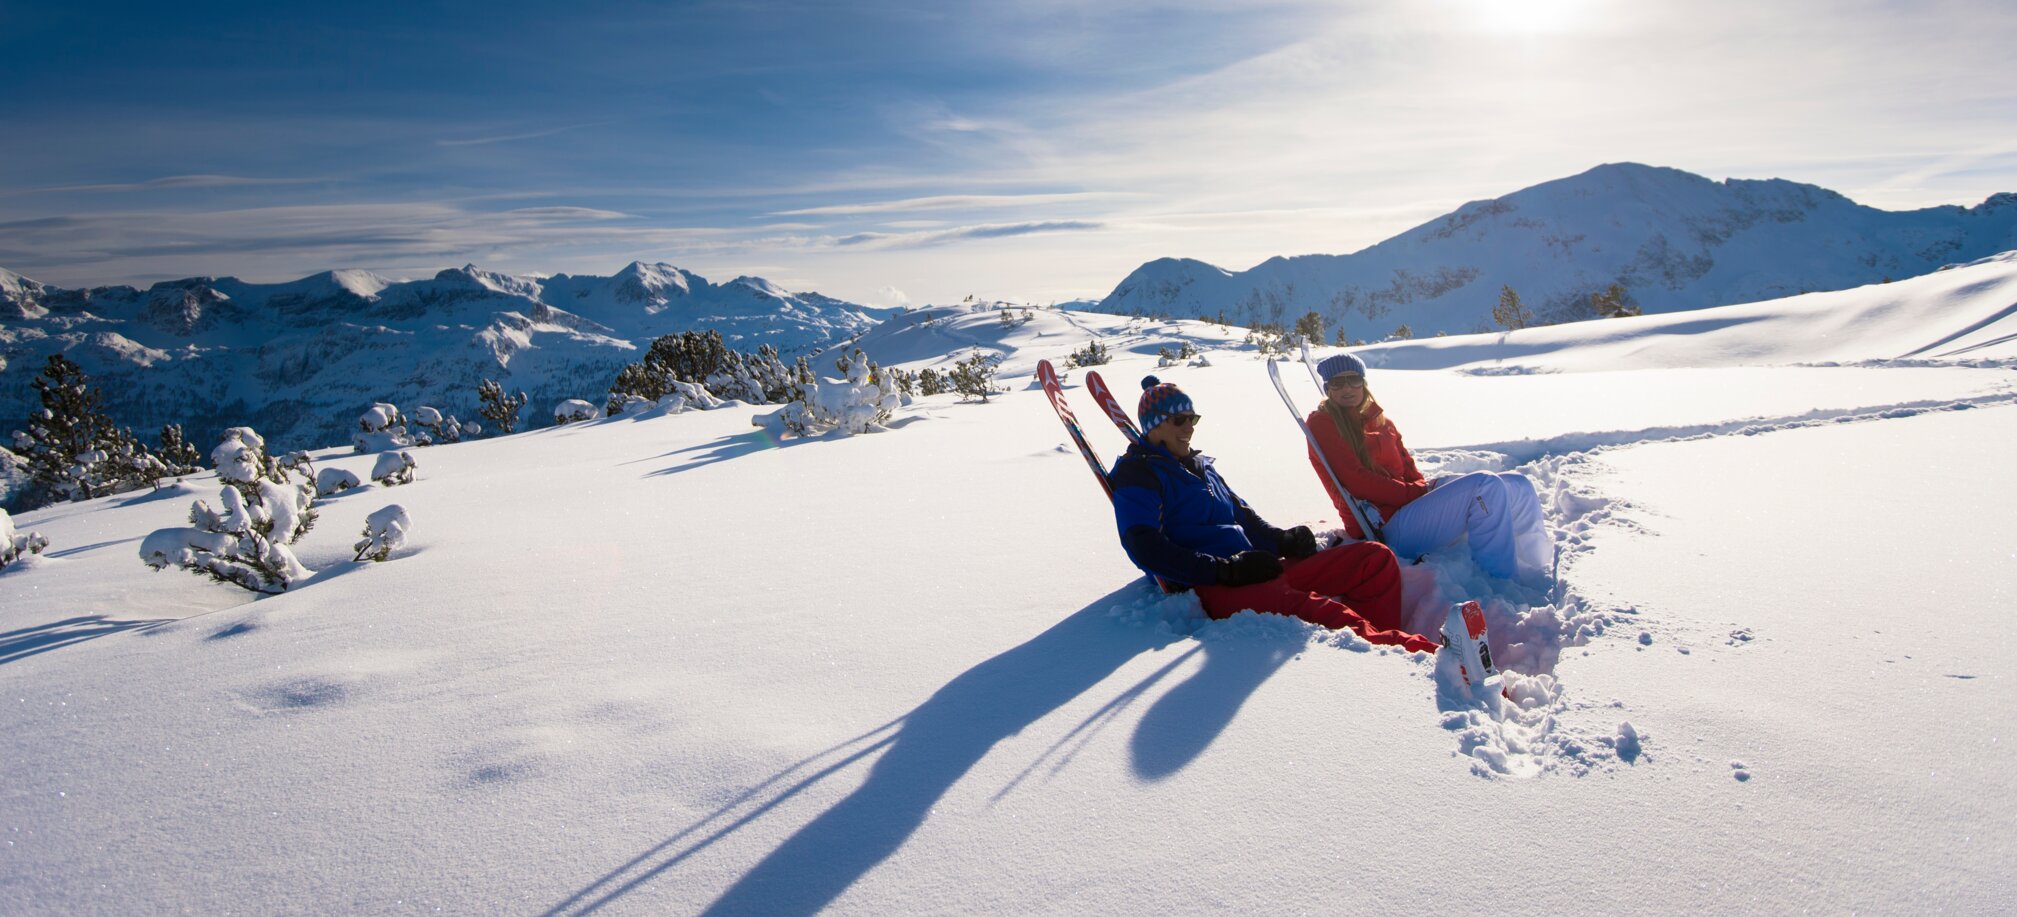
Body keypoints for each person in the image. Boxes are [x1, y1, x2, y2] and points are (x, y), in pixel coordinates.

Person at [1110, 375, 1439, 653]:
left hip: (1252, 569)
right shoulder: (1137, 473)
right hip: (1213, 586)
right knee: (1322, 611)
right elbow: (1143, 546)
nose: (1189, 429)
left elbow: (1245, 519)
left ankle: (1385, 654)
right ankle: (1427, 656)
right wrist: (1225, 571)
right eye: (1178, 420)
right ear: (1154, 426)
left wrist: (1284, 541)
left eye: (1192, 419)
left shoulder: (1200, 467)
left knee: (1373, 559)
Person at [1303, 353, 1551, 586]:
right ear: (1328, 389)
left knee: (1518, 485)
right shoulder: (1323, 422)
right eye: (1338, 383)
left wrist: (1420, 489)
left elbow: (1409, 468)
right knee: (1484, 487)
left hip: (1408, 510)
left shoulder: (1381, 421)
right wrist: (1414, 493)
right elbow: (1356, 481)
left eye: (1353, 380)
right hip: (1384, 526)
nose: (1347, 388)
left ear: (1363, 383)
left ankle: (1535, 565)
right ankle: (1500, 579)